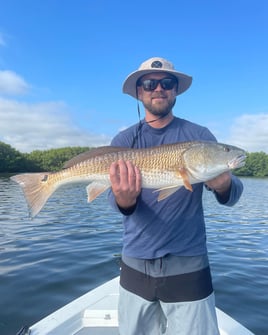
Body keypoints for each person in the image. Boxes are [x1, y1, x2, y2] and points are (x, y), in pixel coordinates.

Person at [108, 57, 243, 335]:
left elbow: (233, 194)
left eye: (167, 83)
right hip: (135, 261)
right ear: (138, 91)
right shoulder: (123, 141)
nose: (159, 89)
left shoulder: (199, 135)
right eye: (149, 83)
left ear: (176, 90)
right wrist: (124, 199)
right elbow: (114, 200)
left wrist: (223, 185)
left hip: (189, 263)